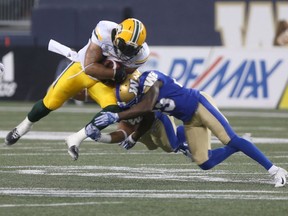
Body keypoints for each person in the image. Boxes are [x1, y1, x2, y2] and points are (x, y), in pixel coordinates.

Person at [94, 70, 288, 187]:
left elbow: (146, 106)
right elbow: (147, 115)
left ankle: (276, 170)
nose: (133, 103)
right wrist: (134, 137)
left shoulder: (151, 78)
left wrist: (116, 116)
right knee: (205, 163)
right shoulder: (141, 98)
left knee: (228, 138)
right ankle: (244, 144)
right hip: (189, 119)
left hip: (200, 105)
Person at [4, 18, 150, 145]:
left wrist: (117, 76)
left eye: (130, 50)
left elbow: (123, 78)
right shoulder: (104, 30)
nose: (124, 51)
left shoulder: (142, 55)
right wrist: (114, 72)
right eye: (123, 45)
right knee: (50, 102)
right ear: (117, 32)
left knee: (112, 109)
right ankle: (24, 127)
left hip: (103, 82)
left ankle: (77, 138)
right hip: (80, 69)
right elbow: (89, 67)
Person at [65, 70, 192, 160]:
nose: (128, 107)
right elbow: (123, 133)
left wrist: (134, 137)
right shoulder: (116, 96)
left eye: (131, 103)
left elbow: (148, 118)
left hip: (156, 118)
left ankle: (185, 134)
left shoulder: (146, 93)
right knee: (152, 146)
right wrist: (100, 137)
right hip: (141, 125)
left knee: (170, 146)